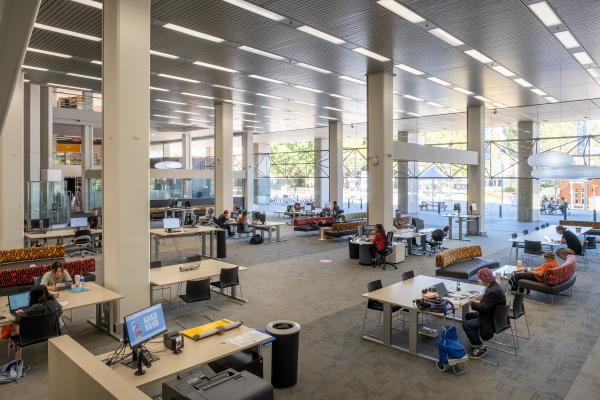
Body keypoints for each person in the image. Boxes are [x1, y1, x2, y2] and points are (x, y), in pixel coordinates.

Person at [462, 268, 506, 359]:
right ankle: (474, 337)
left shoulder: (492, 291)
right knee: (469, 316)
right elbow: (489, 302)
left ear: (484, 279)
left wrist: (472, 303)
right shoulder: (494, 286)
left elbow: (484, 308)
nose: (480, 280)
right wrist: (480, 299)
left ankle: (480, 347)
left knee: (466, 325)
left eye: (480, 278)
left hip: (491, 319)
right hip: (495, 315)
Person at [10, 285, 63, 357]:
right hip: (51, 331)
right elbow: (60, 309)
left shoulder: (32, 309)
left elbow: (20, 319)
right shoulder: (53, 302)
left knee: (14, 324)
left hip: (31, 336)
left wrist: (18, 313)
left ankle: (17, 356)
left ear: (33, 296)